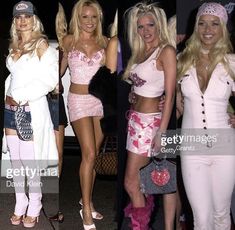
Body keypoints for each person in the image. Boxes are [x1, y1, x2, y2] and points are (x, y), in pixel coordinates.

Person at [177, 2, 235, 229]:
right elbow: (177, 106)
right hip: (191, 148)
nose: (207, 29)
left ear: (223, 29)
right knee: (201, 217)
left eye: (214, 24)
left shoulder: (231, 62)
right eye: (202, 23)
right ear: (195, 27)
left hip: (225, 147)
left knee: (221, 215)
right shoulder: (182, 60)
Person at [3, 1, 58, 228]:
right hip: (9, 110)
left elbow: (50, 80)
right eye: (18, 17)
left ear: (34, 19)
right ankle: (20, 202)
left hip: (28, 110)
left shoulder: (42, 45)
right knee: (15, 163)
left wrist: (21, 94)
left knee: (30, 163)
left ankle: (34, 204)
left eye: (26, 16)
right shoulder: (14, 45)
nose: (22, 20)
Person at [123, 2, 176, 229]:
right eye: (140, 26)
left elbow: (171, 95)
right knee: (140, 183)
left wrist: (161, 133)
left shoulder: (166, 51)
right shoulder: (140, 51)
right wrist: (133, 95)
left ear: (159, 25)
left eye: (150, 25)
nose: (146, 31)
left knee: (131, 183)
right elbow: (140, 86)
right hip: (135, 122)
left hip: (149, 124)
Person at [60, 0, 108, 229]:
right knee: (89, 153)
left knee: (94, 155)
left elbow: (111, 75)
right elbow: (58, 72)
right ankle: (86, 208)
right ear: (77, 19)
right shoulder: (69, 41)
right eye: (84, 17)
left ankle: (85, 198)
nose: (89, 22)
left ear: (99, 18)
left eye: (94, 17)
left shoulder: (106, 42)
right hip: (78, 101)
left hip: (99, 103)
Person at [48, 2, 68, 223]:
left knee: (58, 154)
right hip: (35, 101)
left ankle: (52, 204)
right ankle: (32, 201)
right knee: (35, 154)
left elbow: (59, 76)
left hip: (55, 100)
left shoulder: (64, 44)